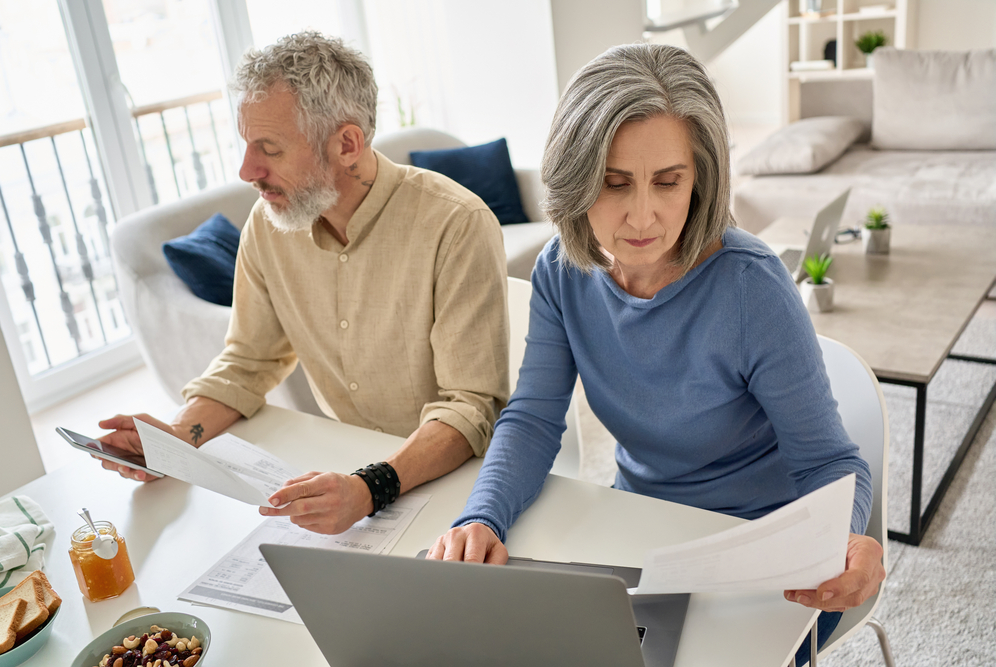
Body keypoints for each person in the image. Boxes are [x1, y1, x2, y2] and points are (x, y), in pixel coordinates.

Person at [427, 44, 884, 662]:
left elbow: (829, 463)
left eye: (668, 182)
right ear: (576, 178)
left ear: (700, 178)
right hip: (640, 532)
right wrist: (480, 517)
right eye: (614, 184)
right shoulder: (563, 272)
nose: (643, 215)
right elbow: (534, 420)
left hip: (762, 551)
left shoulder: (751, 286)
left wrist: (848, 539)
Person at [96, 32, 509, 536]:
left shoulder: (456, 224)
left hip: (450, 483)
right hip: (343, 474)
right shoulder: (268, 226)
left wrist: (369, 486)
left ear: (347, 144)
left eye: (269, 148)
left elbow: (470, 407)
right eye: (246, 145)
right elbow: (249, 361)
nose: (247, 170)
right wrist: (179, 436)